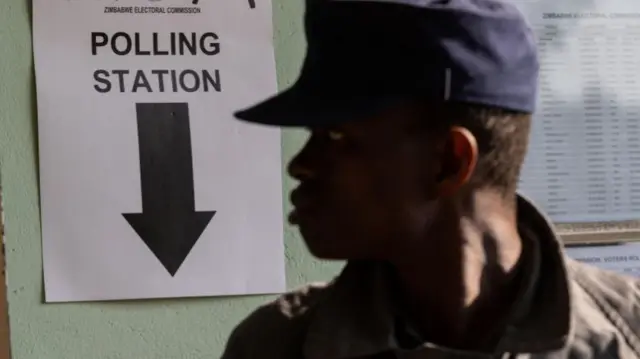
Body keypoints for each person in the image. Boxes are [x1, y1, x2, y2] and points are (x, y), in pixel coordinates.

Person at [223, 0, 640, 358]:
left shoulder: (628, 336)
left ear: (449, 162)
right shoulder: (276, 345)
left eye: (337, 137)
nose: (300, 165)